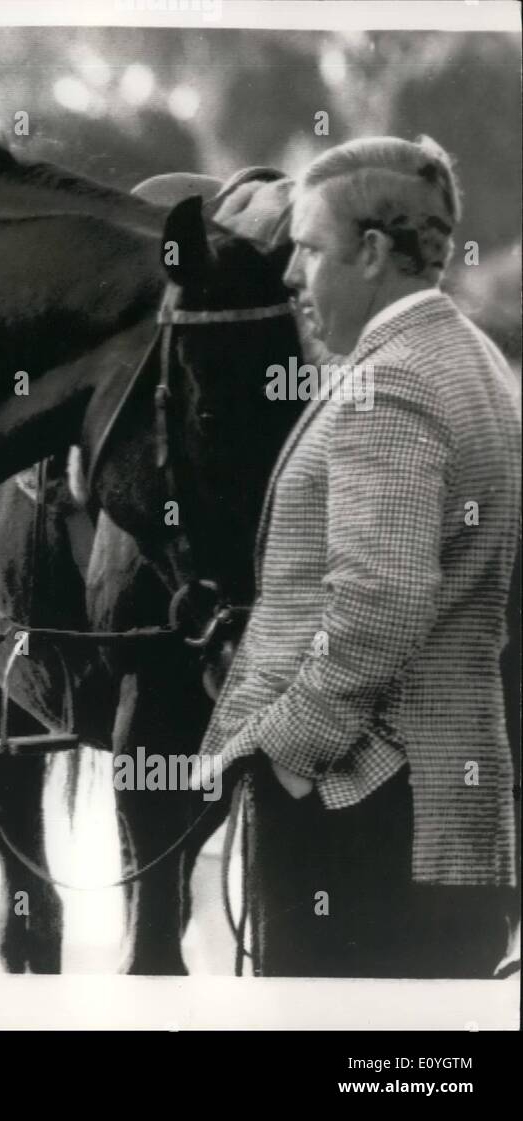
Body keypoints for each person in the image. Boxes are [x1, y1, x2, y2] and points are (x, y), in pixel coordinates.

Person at [199, 135, 520, 978]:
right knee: (419, 1071)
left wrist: (287, 751)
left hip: (362, 821)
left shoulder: (394, 379)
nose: (290, 277)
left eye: (307, 249)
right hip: (448, 816)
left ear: (373, 253)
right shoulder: (476, 360)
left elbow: (382, 601)